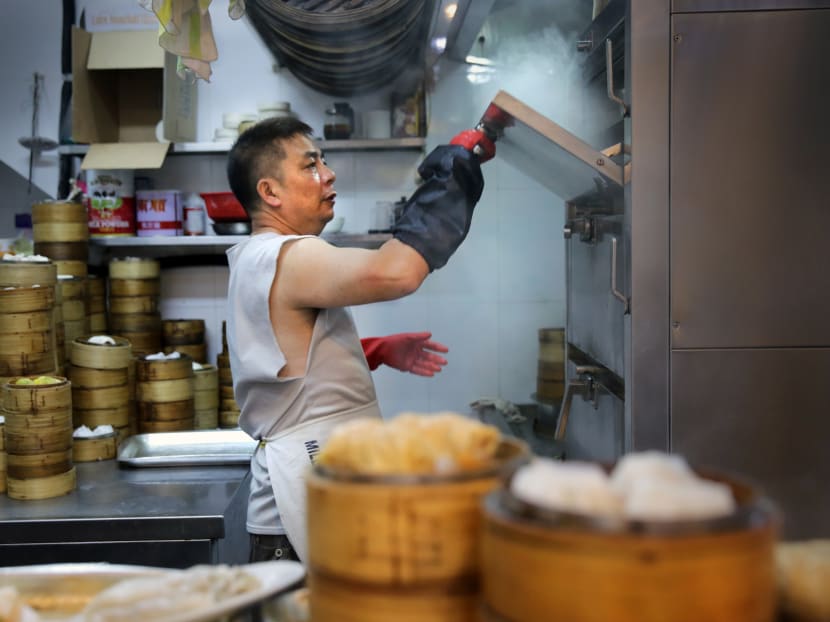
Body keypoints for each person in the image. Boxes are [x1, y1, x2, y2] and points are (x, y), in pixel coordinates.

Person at [225, 116, 495, 563]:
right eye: (310, 166)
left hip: (309, 488)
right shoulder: (288, 255)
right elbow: (398, 272)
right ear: (270, 192)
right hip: (303, 497)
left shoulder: (257, 259)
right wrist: (456, 168)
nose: (328, 174)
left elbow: (286, 363)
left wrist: (374, 351)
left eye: (324, 162)